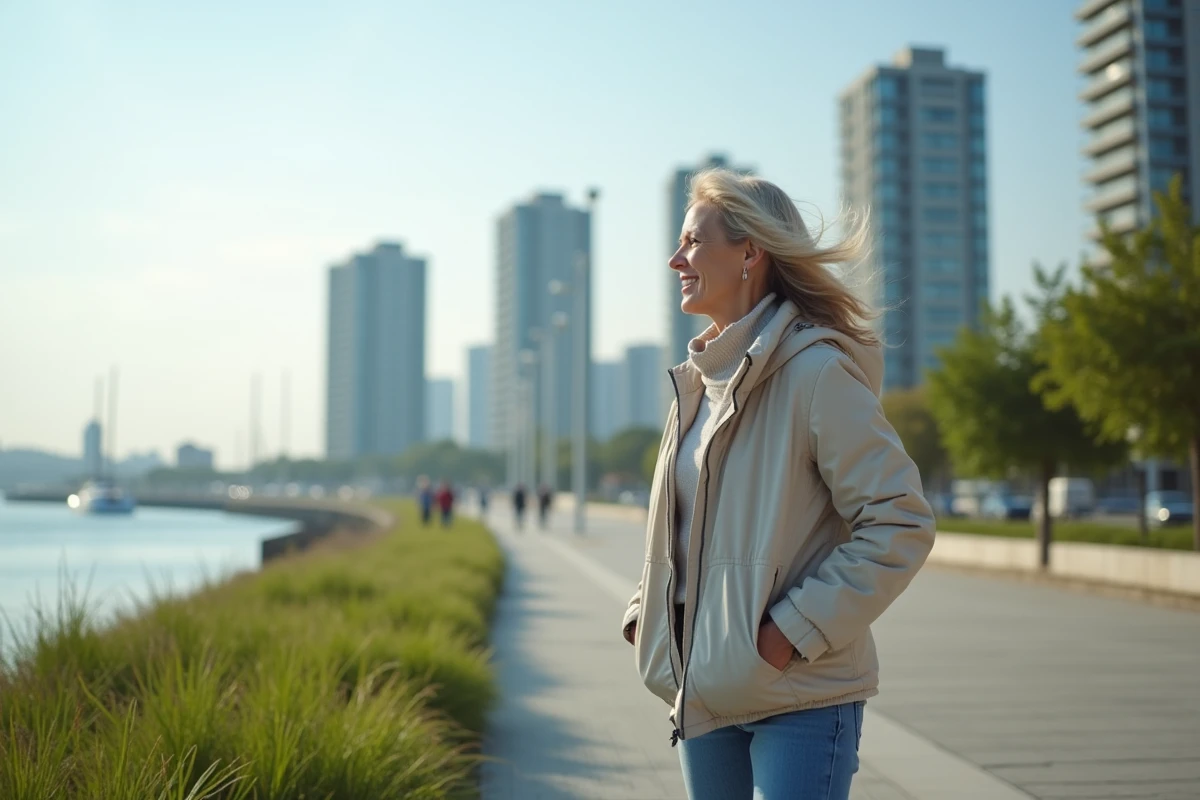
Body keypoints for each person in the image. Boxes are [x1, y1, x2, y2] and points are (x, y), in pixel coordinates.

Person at [620, 168, 935, 799]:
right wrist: (646, 608)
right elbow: (691, 523)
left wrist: (789, 633)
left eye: (691, 241)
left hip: (801, 697)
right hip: (703, 690)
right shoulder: (696, 386)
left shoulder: (817, 372)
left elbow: (900, 520)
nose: (674, 258)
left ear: (749, 252)